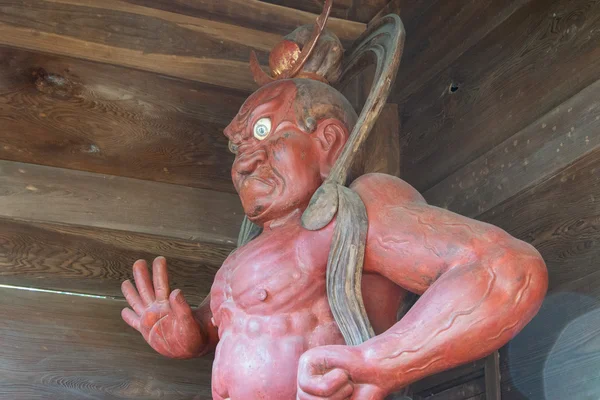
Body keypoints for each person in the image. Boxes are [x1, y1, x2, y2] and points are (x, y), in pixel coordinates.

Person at [120, 76, 548, 400]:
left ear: (328, 141)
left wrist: (377, 364)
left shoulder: (355, 209)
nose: (245, 162)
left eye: (266, 133)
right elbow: (234, 327)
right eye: (239, 147)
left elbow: (506, 270)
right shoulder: (245, 253)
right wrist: (190, 335)